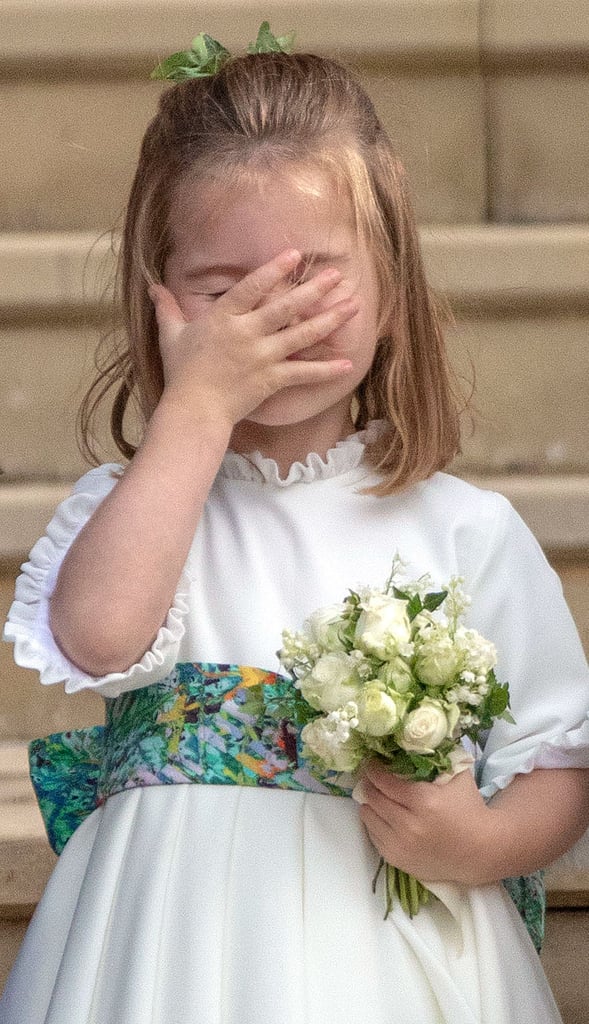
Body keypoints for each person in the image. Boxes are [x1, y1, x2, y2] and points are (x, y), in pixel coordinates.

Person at [2, 36, 589, 1024]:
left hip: (386, 954)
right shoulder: (135, 503)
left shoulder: (464, 529)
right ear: (155, 309)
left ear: (392, 293)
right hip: (166, 947)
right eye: (225, 294)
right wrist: (198, 408)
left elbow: (556, 760)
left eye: (314, 280)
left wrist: (473, 844)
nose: (267, 321)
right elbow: (99, 635)